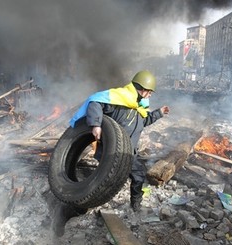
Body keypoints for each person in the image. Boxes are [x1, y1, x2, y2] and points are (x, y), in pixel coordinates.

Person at [69, 70, 169, 212]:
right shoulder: (119, 101)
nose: (151, 94)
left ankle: (135, 205)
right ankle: (83, 203)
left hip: (129, 153)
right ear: (142, 89)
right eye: (149, 91)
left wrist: (159, 113)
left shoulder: (139, 108)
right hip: (111, 152)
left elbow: (144, 121)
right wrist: (96, 125)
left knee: (138, 176)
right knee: (104, 180)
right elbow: (96, 103)